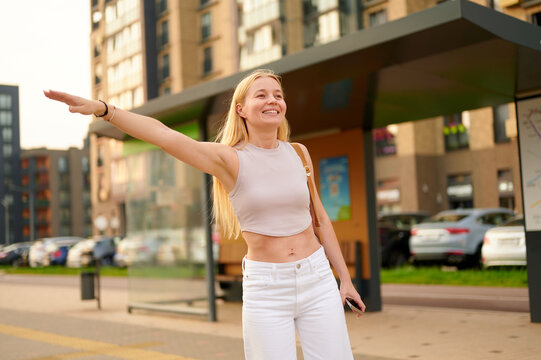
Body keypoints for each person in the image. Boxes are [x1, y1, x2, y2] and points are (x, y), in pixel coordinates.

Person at [44, 68, 365, 359]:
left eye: (278, 95)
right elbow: (164, 135)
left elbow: (320, 219)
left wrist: (345, 280)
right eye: (262, 95)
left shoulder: (298, 152)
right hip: (268, 288)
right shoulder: (228, 159)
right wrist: (105, 110)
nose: (273, 101)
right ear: (241, 109)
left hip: (317, 277)